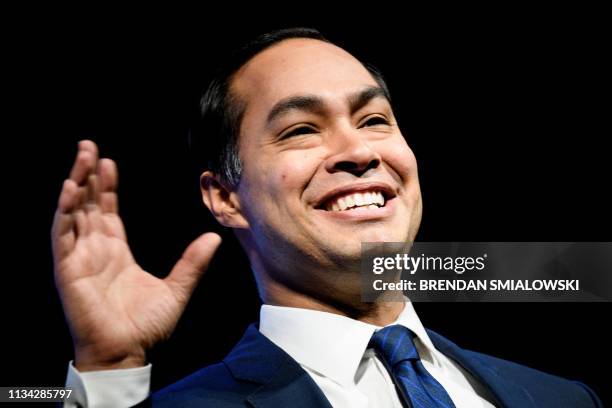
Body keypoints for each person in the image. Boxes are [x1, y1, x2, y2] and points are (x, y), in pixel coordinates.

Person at [52, 28, 602, 407]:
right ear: (225, 197)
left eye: (374, 119)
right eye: (301, 129)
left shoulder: (562, 397)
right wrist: (107, 373)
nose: (358, 151)